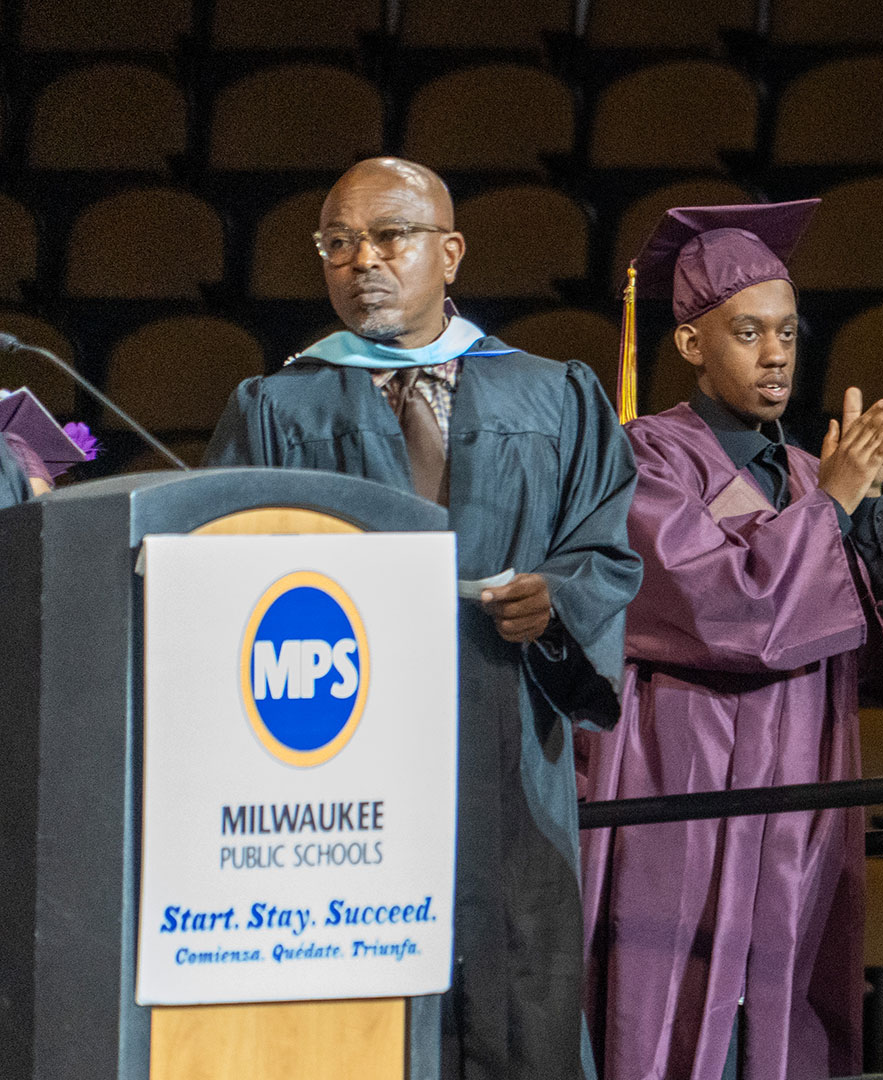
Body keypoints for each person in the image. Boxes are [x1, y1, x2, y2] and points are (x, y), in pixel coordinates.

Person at [205, 156, 643, 1080]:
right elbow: (229, 585)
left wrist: (555, 599)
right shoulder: (276, 403)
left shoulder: (553, 395)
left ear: (449, 252)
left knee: (519, 977)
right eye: (338, 243)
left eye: (389, 237)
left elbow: (605, 548)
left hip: (509, 730)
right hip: (338, 746)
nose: (362, 260)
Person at [576, 201, 883, 1080]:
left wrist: (865, 509)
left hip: (800, 801)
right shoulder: (644, 460)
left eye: (787, 331)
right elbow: (727, 609)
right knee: (670, 1015)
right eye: (748, 331)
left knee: (783, 1030)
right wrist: (837, 506)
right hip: (682, 786)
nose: (776, 353)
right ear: (694, 344)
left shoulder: (823, 476)